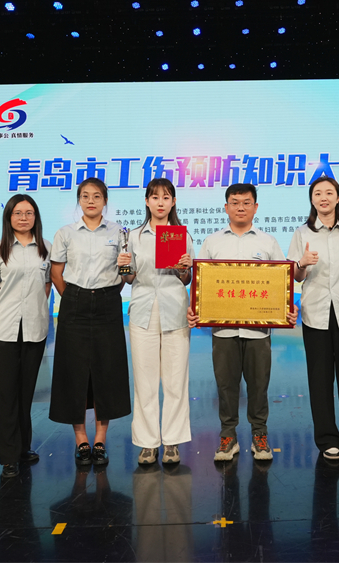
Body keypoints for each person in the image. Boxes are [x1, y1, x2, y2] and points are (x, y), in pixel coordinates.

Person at [187, 183, 298, 462]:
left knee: (259, 385)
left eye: (246, 202)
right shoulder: (212, 242)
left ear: (255, 207)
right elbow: (202, 283)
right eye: (235, 202)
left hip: (258, 331)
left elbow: (281, 283)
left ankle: (260, 434)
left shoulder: (267, 242)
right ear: (226, 207)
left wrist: (288, 309)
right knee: (226, 385)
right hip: (223, 330)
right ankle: (228, 436)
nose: (240, 207)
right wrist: (195, 309)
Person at [49, 177, 131, 467]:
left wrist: (106, 294)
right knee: (73, 371)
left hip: (108, 302)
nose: (91, 201)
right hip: (75, 303)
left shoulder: (120, 232)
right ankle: (81, 439)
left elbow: (125, 272)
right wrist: (75, 297)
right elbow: (56, 273)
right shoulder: (66, 233)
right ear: (79, 200)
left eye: (97, 196)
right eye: (85, 196)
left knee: (107, 370)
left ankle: (100, 439)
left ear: (105, 201)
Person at [288, 176, 339, 463]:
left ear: (338, 198)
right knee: (319, 379)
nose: (323, 198)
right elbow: (295, 275)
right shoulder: (302, 233)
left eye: (329, 193)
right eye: (318, 194)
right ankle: (327, 438)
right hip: (316, 314)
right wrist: (302, 263)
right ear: (312, 200)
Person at [123, 178, 194, 466]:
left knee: (176, 381)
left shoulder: (182, 235)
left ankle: (172, 442)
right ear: (147, 201)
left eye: (166, 197)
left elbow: (186, 279)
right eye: (155, 197)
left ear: (173, 202)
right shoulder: (134, 236)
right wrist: (123, 267)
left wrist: (183, 269)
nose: (160, 202)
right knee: (145, 381)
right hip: (143, 312)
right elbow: (130, 278)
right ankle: (147, 443)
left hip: (175, 311)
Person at [0, 194, 52, 479]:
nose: (23, 218)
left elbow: (47, 285)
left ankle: (23, 446)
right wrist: (4, 311)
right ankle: (8, 456)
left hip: (35, 327)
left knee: (25, 391)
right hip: (5, 330)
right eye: (17, 213)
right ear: (8, 217)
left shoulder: (45, 248)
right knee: (5, 393)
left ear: (36, 217)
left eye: (29, 213)